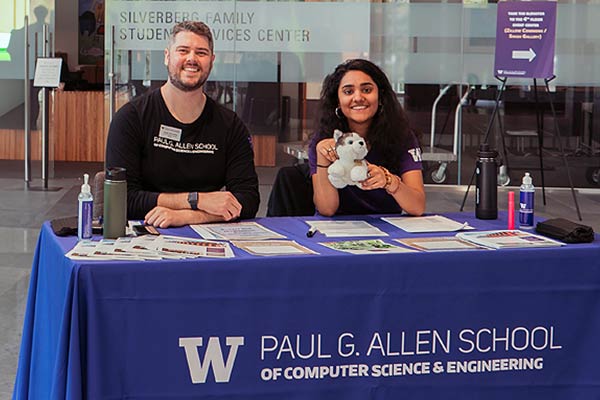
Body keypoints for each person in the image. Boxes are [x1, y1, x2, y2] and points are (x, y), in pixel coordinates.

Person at [106, 21, 259, 228]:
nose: (192, 59)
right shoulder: (131, 118)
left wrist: (187, 217)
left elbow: (248, 200)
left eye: (201, 53)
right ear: (167, 56)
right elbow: (123, 199)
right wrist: (197, 200)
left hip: (210, 242)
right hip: (145, 239)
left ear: (212, 61)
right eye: (183, 50)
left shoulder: (230, 126)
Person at [308, 59, 425, 216]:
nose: (358, 98)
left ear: (380, 96)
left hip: (387, 230)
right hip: (336, 230)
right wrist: (323, 159)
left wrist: (388, 180)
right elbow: (327, 209)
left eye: (367, 90)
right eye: (348, 92)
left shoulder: (402, 136)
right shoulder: (323, 140)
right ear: (338, 100)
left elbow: (417, 207)